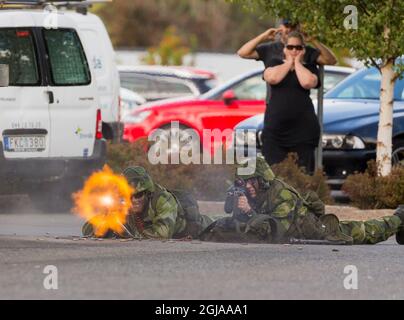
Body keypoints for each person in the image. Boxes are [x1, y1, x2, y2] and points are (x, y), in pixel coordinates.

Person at [200, 157, 404, 245]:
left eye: (251, 182)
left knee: (366, 232)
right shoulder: (251, 194)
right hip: (295, 230)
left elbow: (276, 231)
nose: (248, 187)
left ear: (262, 180)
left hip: (317, 229)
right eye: (243, 183)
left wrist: (249, 213)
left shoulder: (282, 194)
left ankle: (398, 219)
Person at [238, 21, 337, 172]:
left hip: (303, 131)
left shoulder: (309, 63)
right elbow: (271, 76)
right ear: (284, 48)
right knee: (273, 175)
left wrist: (298, 61)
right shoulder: (272, 58)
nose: (294, 50)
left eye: (298, 48)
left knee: (303, 177)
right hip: (276, 131)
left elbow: (309, 81)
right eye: (290, 47)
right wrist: (265, 37)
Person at [82, 166, 213, 239]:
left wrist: (126, 233)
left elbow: (161, 235)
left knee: (226, 226)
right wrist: (106, 218)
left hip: (203, 228)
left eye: (138, 195)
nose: (134, 200)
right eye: (129, 196)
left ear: (147, 192)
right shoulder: (122, 204)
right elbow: (86, 229)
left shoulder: (163, 200)